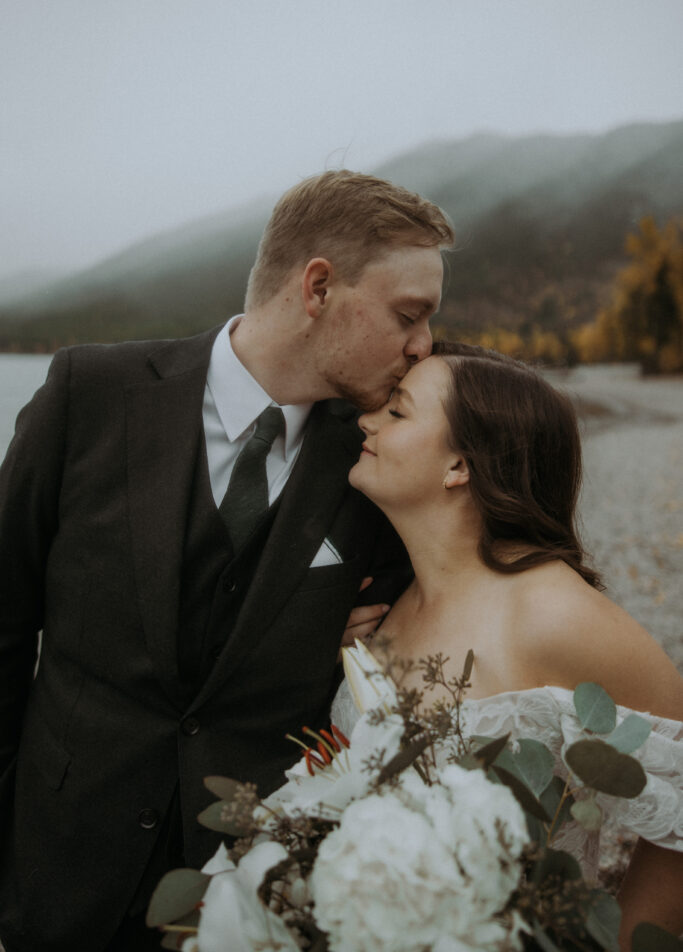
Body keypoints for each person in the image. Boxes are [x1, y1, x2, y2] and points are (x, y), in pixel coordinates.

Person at [0, 170, 453, 952]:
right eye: (407, 315)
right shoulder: (90, 394)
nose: (423, 344)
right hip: (57, 872)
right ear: (316, 287)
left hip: (255, 899)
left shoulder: (384, 456)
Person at [336, 340, 683, 949]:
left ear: (459, 467)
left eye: (397, 411)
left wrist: (619, 942)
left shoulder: (550, 612)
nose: (367, 420)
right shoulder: (384, 607)